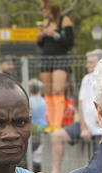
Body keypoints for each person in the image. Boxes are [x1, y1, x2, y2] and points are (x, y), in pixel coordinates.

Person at [50, 49, 102, 173]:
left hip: (101, 128)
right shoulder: (86, 79)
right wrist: (83, 127)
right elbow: (80, 104)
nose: (87, 65)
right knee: (56, 136)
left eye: (91, 63)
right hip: (84, 125)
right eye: (87, 62)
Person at [36, 1, 74, 130]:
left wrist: (55, 35)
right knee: (48, 91)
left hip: (60, 59)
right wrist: (42, 35)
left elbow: (69, 42)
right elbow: (41, 44)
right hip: (46, 59)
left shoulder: (65, 20)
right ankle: (50, 122)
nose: (43, 11)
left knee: (58, 90)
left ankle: (57, 122)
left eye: (44, 9)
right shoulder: (45, 22)